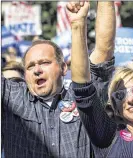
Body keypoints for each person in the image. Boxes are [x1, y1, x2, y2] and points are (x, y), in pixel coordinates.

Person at [1, 1, 116, 158]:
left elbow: (104, 51)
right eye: (30, 66)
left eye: (45, 63)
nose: (37, 70)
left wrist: (79, 22)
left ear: (63, 68)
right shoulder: (11, 97)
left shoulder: (83, 97)